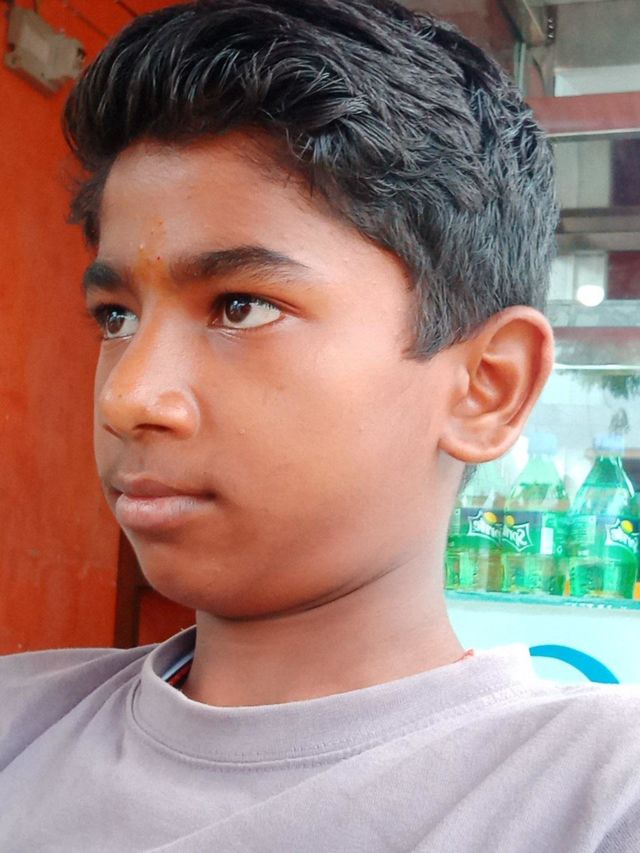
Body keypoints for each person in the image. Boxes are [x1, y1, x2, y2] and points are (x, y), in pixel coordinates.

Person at [1, 0, 638, 850]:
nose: (130, 396)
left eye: (241, 306)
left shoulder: (593, 793)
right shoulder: (18, 721)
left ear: (487, 387)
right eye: (116, 316)